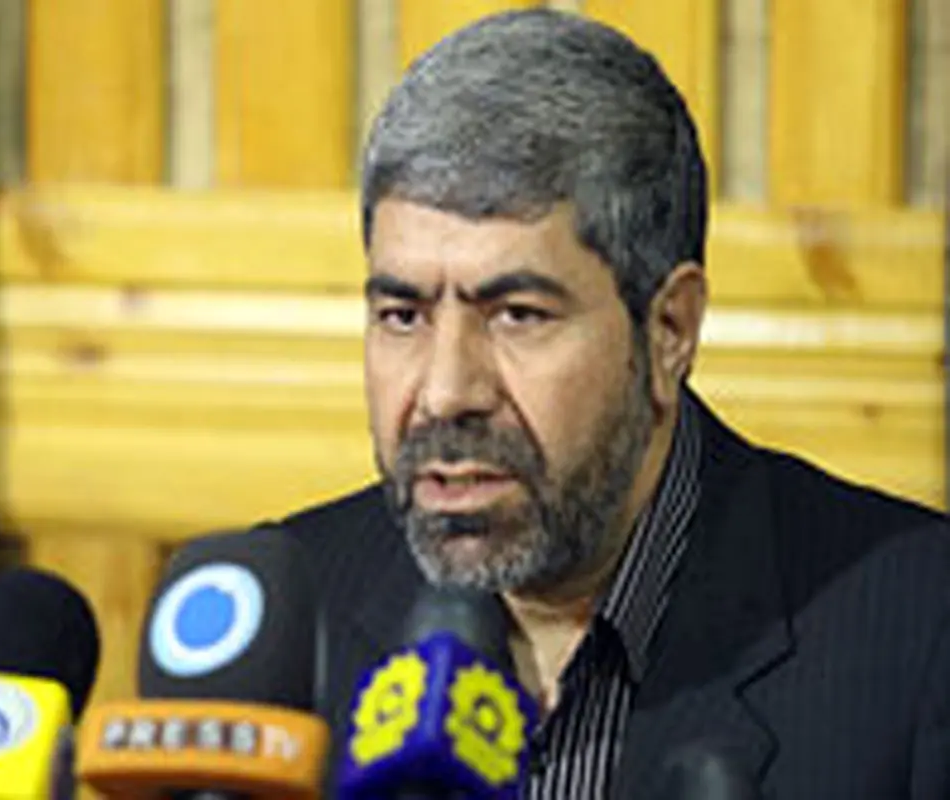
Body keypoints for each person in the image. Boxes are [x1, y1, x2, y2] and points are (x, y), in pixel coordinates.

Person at [261, 9, 948, 799]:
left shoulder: (919, 631)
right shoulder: (287, 623)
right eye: (402, 315)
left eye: (518, 315)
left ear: (669, 329)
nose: (446, 393)